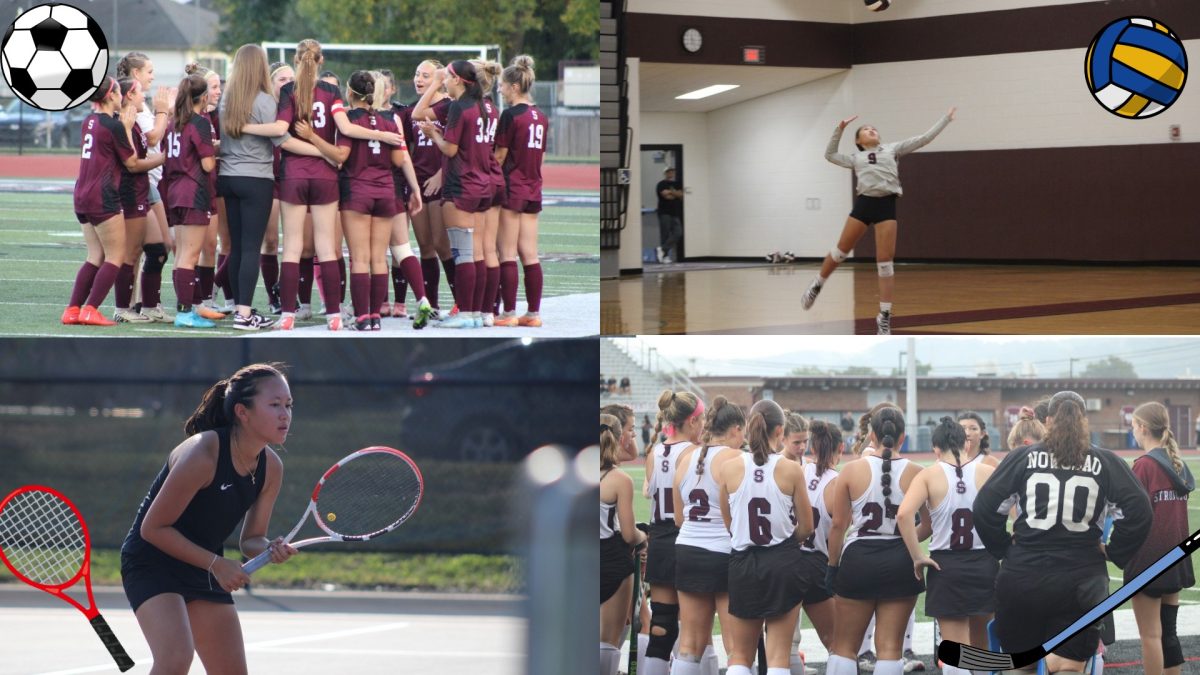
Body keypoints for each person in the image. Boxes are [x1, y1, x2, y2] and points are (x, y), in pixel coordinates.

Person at [119, 363, 299, 673]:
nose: (285, 414)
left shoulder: (272, 467)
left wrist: (271, 549)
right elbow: (153, 528)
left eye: (288, 405)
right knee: (175, 658)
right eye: (274, 405)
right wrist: (217, 564)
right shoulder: (204, 453)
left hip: (204, 568)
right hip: (152, 561)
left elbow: (251, 539)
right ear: (242, 412)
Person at [974, 391, 1153, 674]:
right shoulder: (1105, 462)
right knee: (1068, 667)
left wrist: (1004, 548)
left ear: (1047, 421)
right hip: (1081, 580)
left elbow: (984, 508)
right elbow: (1140, 511)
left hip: (1024, 576)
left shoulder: (1023, 457)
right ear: (1083, 421)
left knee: (1021, 667)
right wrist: (1115, 551)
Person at [267, 39, 406, 331]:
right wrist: (379, 136)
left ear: (295, 60)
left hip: (293, 171)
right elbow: (345, 128)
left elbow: (282, 135)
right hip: (325, 175)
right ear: (321, 60)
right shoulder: (331, 91)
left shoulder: (288, 91)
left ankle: (288, 314)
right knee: (327, 248)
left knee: (291, 247)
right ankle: (333, 315)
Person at [801, 108, 956, 335]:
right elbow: (830, 155)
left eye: (873, 129)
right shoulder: (855, 158)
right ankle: (817, 284)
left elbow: (924, 139)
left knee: (885, 262)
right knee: (840, 252)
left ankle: (884, 316)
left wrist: (945, 120)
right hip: (864, 204)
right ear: (858, 141)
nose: (871, 130)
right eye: (865, 129)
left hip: (886, 205)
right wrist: (839, 129)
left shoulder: (892, 150)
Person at [824, 406, 928, 675]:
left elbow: (838, 525)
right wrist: (902, 541)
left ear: (872, 436)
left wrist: (832, 566)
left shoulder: (850, 470)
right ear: (903, 437)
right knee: (891, 648)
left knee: (844, 646)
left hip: (859, 559)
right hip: (900, 560)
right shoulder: (917, 471)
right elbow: (928, 525)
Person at [717, 399, 813, 675]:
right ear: (780, 431)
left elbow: (730, 524)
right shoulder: (790, 469)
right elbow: (807, 527)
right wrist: (785, 540)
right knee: (778, 656)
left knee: (740, 656)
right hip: (782, 561)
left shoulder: (730, 468)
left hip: (744, 562)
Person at [63, 76, 165, 327]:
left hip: (81, 194)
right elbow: (132, 164)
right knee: (115, 256)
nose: (122, 97)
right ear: (111, 96)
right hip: (103, 195)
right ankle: (91, 309)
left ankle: (72, 310)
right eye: (119, 93)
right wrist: (165, 158)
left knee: (94, 255)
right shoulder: (114, 126)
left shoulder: (89, 121)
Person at [898, 418, 998, 670]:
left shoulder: (928, 475)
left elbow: (903, 515)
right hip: (984, 562)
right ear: (965, 442)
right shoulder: (988, 472)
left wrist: (917, 556)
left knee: (955, 649)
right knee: (982, 647)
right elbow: (1014, 510)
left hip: (947, 565)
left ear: (935, 448)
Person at [334, 70, 431, 331]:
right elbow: (399, 160)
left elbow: (340, 156)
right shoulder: (390, 119)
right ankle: (376, 317)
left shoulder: (348, 118)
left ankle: (363, 317)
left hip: (356, 190)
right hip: (386, 191)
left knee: (360, 257)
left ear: (350, 92)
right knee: (379, 258)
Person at [216, 44, 294, 330]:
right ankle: (245, 314)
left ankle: (239, 306)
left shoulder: (227, 100)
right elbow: (281, 140)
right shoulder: (264, 101)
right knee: (251, 249)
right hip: (255, 179)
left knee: (236, 248)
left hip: (228, 177)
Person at [415, 61, 497, 328]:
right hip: (483, 183)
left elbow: (450, 150)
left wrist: (433, 135)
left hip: (461, 184)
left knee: (463, 254)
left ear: (459, 80)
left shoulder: (460, 107)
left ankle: (466, 313)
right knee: (478, 254)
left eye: (447, 77)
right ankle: (477, 313)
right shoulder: (486, 105)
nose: (444, 81)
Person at [670, 396, 744, 675]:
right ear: (736, 429)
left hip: (688, 548)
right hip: (724, 552)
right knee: (736, 646)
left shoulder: (686, 458)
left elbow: (680, 518)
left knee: (689, 643)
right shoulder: (737, 457)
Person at [1128, 402, 1194, 675]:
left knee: (1151, 637)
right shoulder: (1179, 465)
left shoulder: (1143, 466)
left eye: (1133, 426)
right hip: (1176, 559)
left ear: (1143, 428)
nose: (1132, 431)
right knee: (1169, 634)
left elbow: (1131, 518)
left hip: (1149, 561)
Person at [642, 389, 703, 675]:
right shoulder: (693, 452)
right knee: (693, 629)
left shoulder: (654, 451)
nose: (703, 425)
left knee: (662, 625)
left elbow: (647, 492)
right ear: (691, 421)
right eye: (700, 420)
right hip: (685, 536)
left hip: (659, 540)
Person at [117, 51, 174, 323]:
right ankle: (125, 307)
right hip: (139, 184)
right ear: (136, 75)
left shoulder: (140, 104)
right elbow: (151, 139)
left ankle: (147, 303)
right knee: (136, 250)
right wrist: (164, 112)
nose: (153, 76)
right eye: (149, 71)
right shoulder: (131, 105)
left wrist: (165, 112)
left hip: (148, 182)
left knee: (159, 247)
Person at [163, 73, 221, 328]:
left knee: (181, 256)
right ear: (203, 97)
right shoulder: (199, 122)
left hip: (175, 190)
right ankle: (185, 312)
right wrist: (218, 151)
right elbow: (207, 165)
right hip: (194, 190)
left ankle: (184, 308)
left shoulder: (174, 121)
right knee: (190, 255)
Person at [399, 59, 455, 318]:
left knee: (443, 246)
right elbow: (408, 151)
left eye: (425, 75)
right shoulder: (413, 110)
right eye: (416, 74)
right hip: (418, 183)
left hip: (441, 184)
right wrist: (411, 185)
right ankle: (431, 305)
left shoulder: (449, 107)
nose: (418, 79)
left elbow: (460, 149)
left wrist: (440, 175)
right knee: (425, 247)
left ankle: (461, 303)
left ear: (440, 79)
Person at [494, 54, 546, 327]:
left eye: (502, 85)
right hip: (533, 187)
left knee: (507, 252)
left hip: (512, 187)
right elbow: (541, 157)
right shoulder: (541, 116)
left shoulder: (511, 115)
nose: (500, 89)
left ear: (514, 87)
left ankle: (509, 312)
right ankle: (534, 313)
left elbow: (500, 156)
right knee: (530, 253)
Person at [792, 420, 843, 674]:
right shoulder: (837, 482)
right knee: (837, 643)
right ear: (840, 448)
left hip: (789, 560)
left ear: (812, 447)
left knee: (785, 645)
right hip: (816, 564)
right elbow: (839, 531)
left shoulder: (797, 470)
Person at [600, 413, 647, 675]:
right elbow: (629, 534)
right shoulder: (619, 479)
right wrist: (644, 537)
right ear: (619, 438)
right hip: (612, 561)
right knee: (607, 642)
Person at [655, 168, 683, 263]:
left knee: (678, 232)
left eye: (672, 172)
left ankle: (662, 248)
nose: (670, 173)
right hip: (664, 212)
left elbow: (680, 195)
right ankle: (665, 256)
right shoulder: (661, 184)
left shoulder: (677, 184)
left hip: (675, 212)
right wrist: (675, 193)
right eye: (668, 172)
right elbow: (666, 195)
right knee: (665, 234)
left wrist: (672, 193)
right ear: (665, 173)